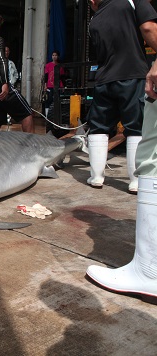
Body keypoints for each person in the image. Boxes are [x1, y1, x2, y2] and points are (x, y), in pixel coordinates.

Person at [85, 0, 157, 301]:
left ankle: (97, 177)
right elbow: (149, 27)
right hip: (132, 74)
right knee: (137, 129)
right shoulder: (132, 2)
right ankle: (134, 180)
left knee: (99, 127)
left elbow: (95, 56)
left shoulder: (94, 19)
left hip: (104, 78)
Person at [43, 50, 65, 117]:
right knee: (48, 100)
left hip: (58, 86)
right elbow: (46, 76)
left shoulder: (60, 66)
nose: (54, 57)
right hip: (49, 86)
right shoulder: (48, 65)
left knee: (57, 100)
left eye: (55, 55)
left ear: (58, 56)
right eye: (53, 55)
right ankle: (47, 115)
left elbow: (62, 77)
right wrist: (45, 85)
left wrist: (63, 86)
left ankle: (56, 115)